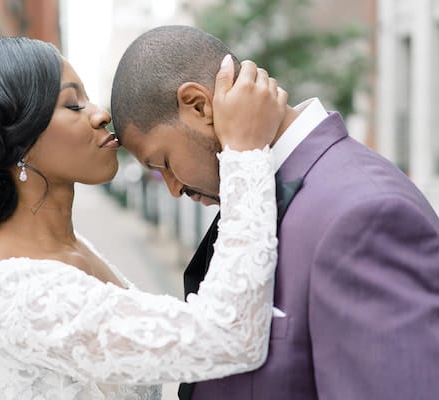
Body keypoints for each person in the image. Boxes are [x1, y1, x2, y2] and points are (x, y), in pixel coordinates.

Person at [0, 37, 287, 400]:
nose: (102, 115)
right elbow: (229, 337)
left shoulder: (69, 249)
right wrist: (243, 153)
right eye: (73, 105)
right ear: (19, 145)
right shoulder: (13, 294)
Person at [111, 25, 439, 400]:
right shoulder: (256, 199)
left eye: (164, 163)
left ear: (200, 106)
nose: (173, 188)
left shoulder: (365, 215)